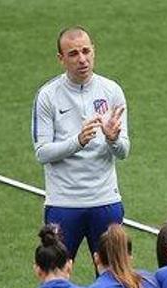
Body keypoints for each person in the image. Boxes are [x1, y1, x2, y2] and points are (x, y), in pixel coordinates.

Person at [31, 26, 129, 262]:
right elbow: (42, 152)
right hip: (63, 203)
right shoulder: (47, 96)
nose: (82, 59)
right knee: (55, 275)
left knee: (114, 276)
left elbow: (124, 151)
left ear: (94, 51)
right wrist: (77, 141)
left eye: (86, 51)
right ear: (61, 59)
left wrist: (112, 138)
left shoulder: (112, 91)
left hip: (105, 200)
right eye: (73, 53)